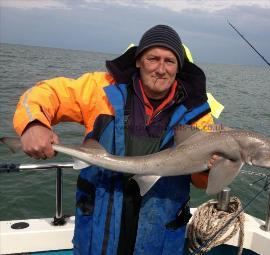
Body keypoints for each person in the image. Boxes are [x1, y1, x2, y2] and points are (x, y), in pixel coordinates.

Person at [13, 24, 216, 254]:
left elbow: (201, 182)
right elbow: (45, 93)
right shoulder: (101, 90)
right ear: (138, 60)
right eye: (153, 59)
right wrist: (34, 123)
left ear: (178, 67)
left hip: (159, 239)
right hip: (99, 233)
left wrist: (211, 168)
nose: (161, 69)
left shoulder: (197, 114)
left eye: (169, 61)